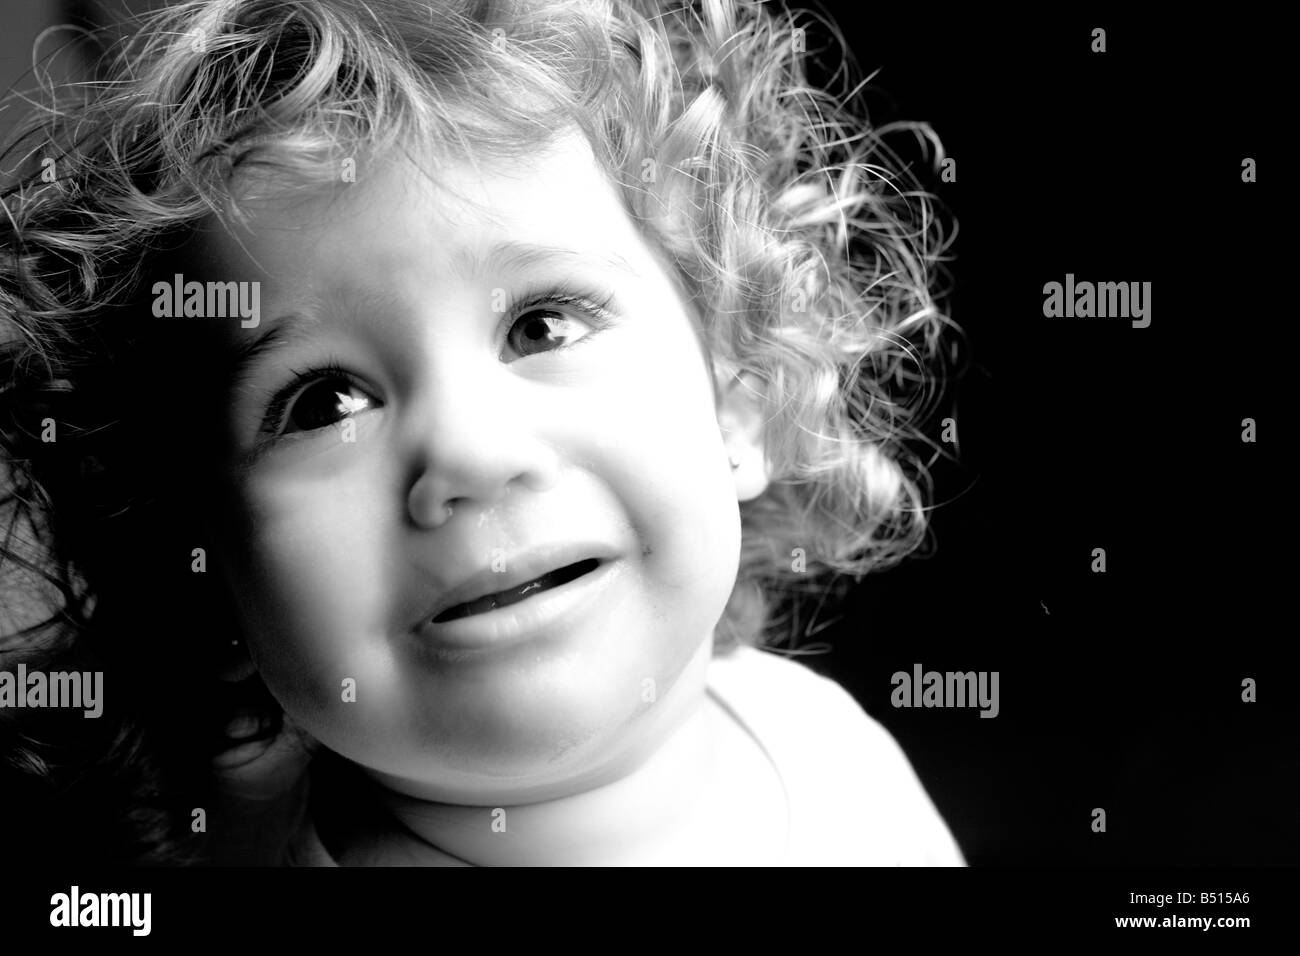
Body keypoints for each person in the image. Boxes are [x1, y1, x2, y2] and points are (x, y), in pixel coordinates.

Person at [0, 0, 963, 865]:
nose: (467, 450)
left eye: (541, 324)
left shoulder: (816, 739)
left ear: (738, 400)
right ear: (200, 575)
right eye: (325, 402)